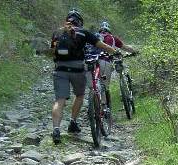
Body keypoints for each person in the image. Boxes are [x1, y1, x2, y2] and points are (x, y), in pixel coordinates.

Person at [50, 10, 119, 144]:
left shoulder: (57, 33)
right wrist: (114, 51)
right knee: (80, 95)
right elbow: (102, 46)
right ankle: (73, 122)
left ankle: (56, 129)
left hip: (60, 69)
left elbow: (53, 51)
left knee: (60, 100)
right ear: (80, 22)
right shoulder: (84, 32)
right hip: (77, 69)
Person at [96, 21, 137, 108]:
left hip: (92, 62)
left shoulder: (94, 37)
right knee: (105, 85)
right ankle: (104, 107)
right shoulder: (113, 38)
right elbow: (125, 47)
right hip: (105, 61)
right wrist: (135, 51)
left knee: (95, 84)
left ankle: (95, 105)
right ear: (109, 30)